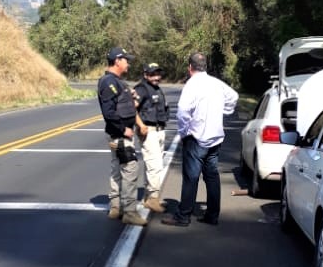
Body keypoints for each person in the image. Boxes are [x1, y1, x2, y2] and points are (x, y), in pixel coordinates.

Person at [161, 51, 239, 227]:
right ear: (205, 66)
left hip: (197, 138)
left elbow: (182, 111)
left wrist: (184, 132)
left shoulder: (192, 85)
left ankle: (183, 216)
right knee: (211, 176)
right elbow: (234, 97)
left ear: (190, 68)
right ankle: (212, 215)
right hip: (215, 137)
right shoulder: (216, 83)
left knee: (191, 177)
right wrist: (225, 111)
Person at [97, 47, 147, 227]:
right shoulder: (108, 82)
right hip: (119, 135)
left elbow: (125, 106)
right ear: (117, 61)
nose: (128, 63)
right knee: (130, 169)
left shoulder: (118, 82)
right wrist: (123, 129)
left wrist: (132, 99)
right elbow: (108, 112)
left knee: (117, 168)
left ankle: (116, 206)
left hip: (119, 135)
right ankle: (130, 212)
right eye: (126, 59)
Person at [135, 62, 169, 213]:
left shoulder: (156, 88)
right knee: (154, 166)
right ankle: (152, 200)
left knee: (154, 165)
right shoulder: (141, 89)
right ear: (145, 74)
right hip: (149, 131)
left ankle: (149, 197)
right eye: (153, 74)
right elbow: (131, 107)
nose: (157, 77)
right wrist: (140, 125)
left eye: (158, 73)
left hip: (159, 130)